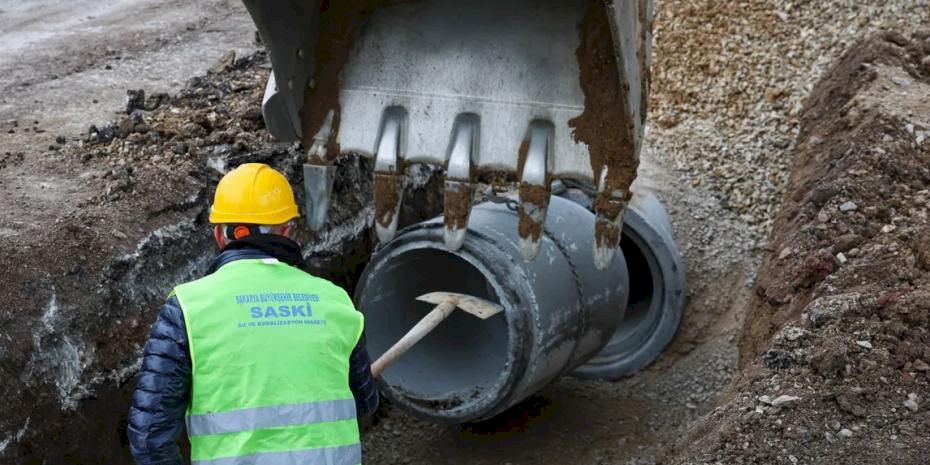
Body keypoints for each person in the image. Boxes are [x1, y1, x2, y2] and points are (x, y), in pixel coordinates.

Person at [128, 163, 378, 465]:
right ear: (288, 231)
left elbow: (149, 437)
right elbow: (364, 403)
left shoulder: (189, 308)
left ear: (220, 235)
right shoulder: (334, 301)